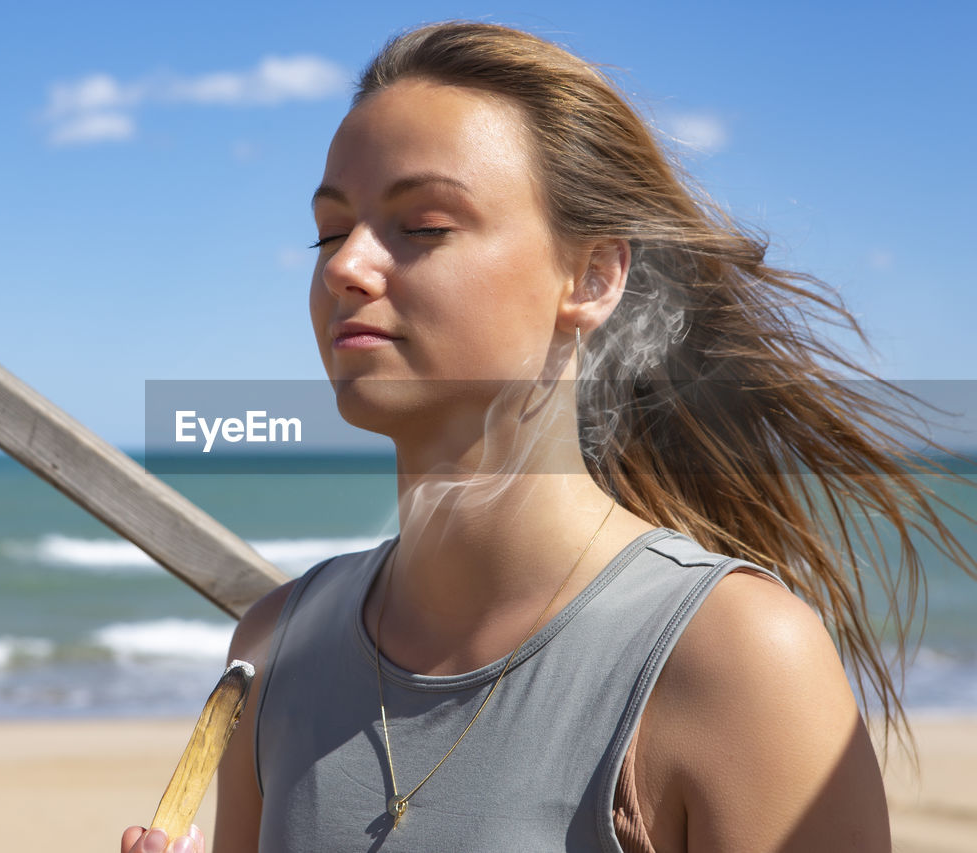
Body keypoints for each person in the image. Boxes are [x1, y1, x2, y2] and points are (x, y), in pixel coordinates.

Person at [124, 21, 974, 852]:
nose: (345, 266)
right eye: (331, 230)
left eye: (422, 226)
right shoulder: (273, 648)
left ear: (594, 275)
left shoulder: (736, 659)